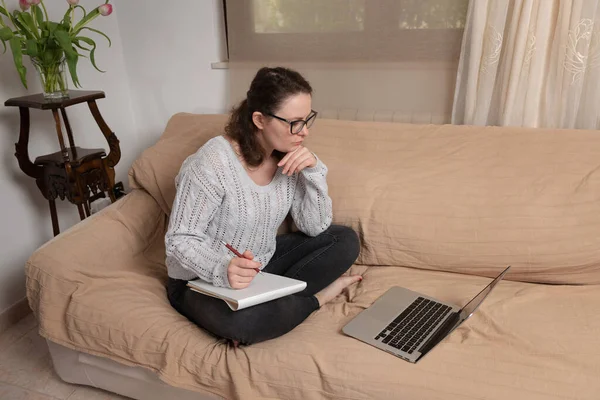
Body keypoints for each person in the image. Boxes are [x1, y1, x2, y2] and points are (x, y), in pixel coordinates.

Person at [165, 66, 362, 346]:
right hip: (198, 281)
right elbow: (179, 240)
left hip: (260, 268)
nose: (304, 132)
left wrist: (314, 171)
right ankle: (316, 299)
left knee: (344, 240)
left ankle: (275, 303)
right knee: (244, 322)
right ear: (259, 119)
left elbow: (314, 227)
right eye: (294, 122)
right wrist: (224, 269)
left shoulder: (288, 158)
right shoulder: (211, 163)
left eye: (307, 120)